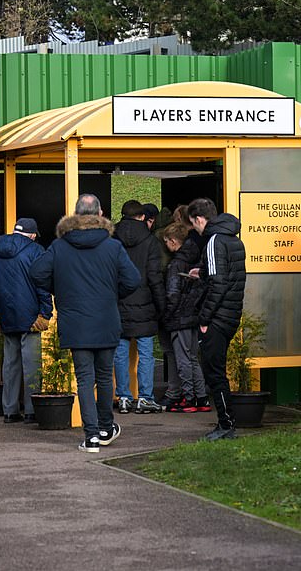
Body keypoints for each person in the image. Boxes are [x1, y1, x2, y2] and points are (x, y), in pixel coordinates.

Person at [29, 194, 141, 452]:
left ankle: (91, 436)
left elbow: (37, 273)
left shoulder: (59, 247)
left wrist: (60, 290)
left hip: (75, 321)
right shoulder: (112, 247)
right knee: (104, 377)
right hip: (106, 320)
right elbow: (133, 280)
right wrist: (113, 294)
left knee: (84, 378)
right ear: (100, 214)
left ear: (76, 215)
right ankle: (105, 427)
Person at [0, 217, 54, 424]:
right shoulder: (36, 251)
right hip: (30, 317)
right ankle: (31, 411)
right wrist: (45, 313)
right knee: (32, 366)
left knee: (10, 366)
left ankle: (10, 411)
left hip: (5, 317)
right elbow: (43, 285)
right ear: (32, 234)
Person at [188, 197, 246, 441]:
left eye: (194, 224)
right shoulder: (234, 239)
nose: (196, 230)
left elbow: (218, 284)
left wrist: (204, 318)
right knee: (217, 370)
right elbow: (227, 275)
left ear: (200, 219)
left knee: (214, 372)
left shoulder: (213, 241)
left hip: (217, 317)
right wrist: (201, 272)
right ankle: (227, 422)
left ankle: (226, 423)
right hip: (232, 313)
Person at [112, 200, 166, 415]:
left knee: (120, 353)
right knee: (146, 354)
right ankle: (145, 398)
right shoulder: (151, 241)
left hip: (119, 303)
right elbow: (155, 276)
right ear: (143, 217)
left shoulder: (112, 239)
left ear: (122, 215)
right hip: (145, 303)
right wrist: (161, 306)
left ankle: (123, 397)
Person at [160, 221, 210, 413]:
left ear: (174, 241)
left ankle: (188, 398)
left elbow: (172, 294)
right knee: (192, 357)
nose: (166, 245)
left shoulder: (175, 264)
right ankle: (202, 398)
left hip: (179, 317)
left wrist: (166, 316)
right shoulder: (197, 258)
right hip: (194, 315)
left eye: (166, 241)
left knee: (182, 359)